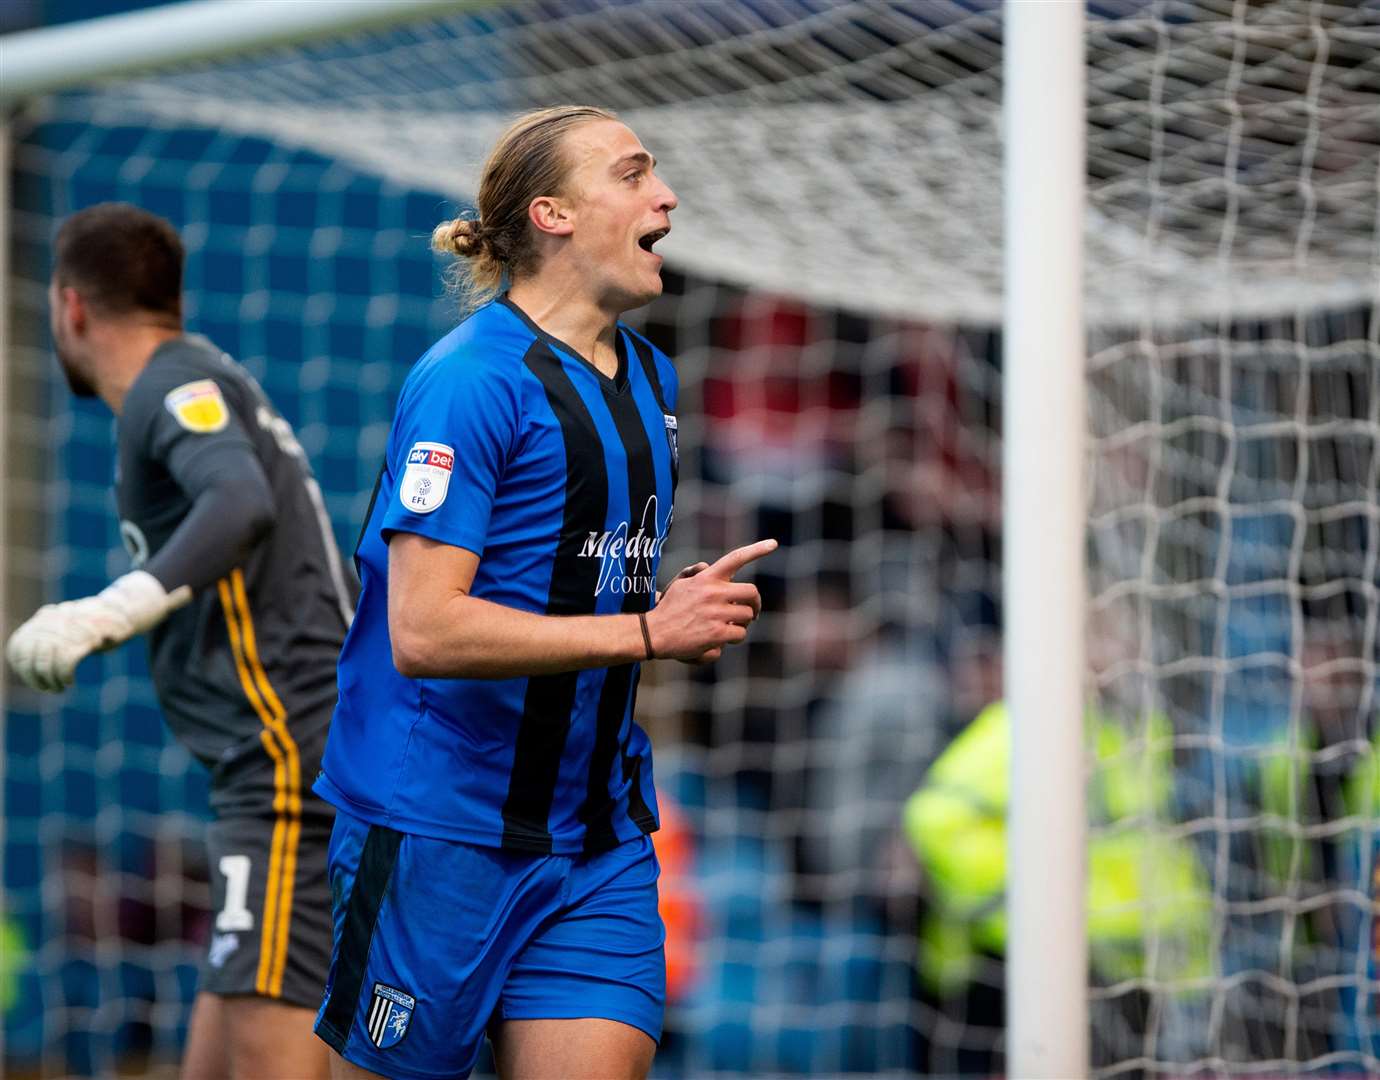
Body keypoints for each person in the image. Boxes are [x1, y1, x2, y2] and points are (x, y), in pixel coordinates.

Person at [311, 104, 775, 1080]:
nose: (667, 195)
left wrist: (672, 609)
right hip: (442, 832)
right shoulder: (467, 382)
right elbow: (425, 630)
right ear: (555, 214)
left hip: (598, 839)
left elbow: (589, 588)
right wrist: (651, 631)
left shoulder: (651, 376)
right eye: (634, 173)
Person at [5, 203, 356, 1079]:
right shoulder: (199, 377)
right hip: (282, 757)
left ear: (70, 307)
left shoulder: (173, 387)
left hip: (284, 760)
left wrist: (109, 609)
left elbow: (239, 503)